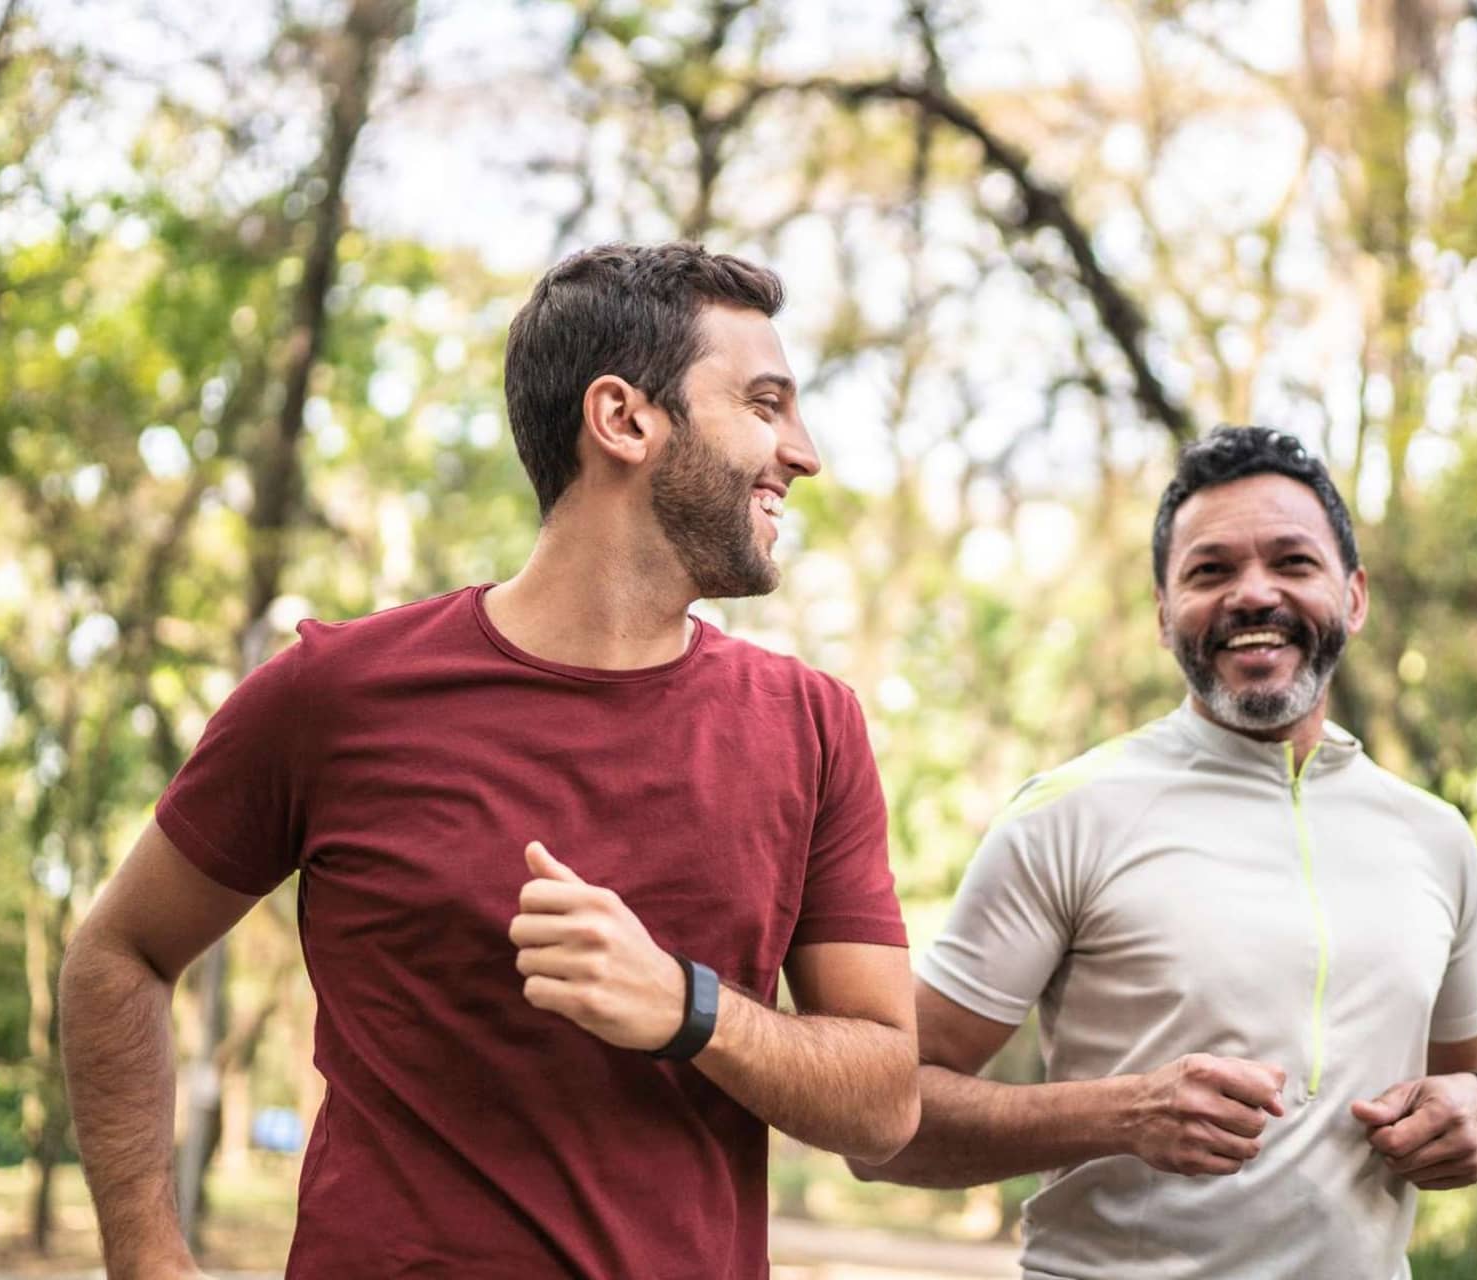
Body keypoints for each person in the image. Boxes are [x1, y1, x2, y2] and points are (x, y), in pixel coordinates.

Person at [59, 242, 920, 1280]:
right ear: (624, 419)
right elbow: (118, 953)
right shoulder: (335, 695)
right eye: (766, 404)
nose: (805, 450)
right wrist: (146, 1258)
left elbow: (883, 1100)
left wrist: (688, 1007)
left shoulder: (812, 727)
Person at [852, 426, 1477, 1278]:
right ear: (1164, 615)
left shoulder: (1437, 837)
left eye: (1293, 562)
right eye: (1210, 571)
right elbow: (877, 1125)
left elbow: (1476, 1091)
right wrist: (1118, 1115)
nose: (1253, 595)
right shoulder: (1069, 815)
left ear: (1353, 598)